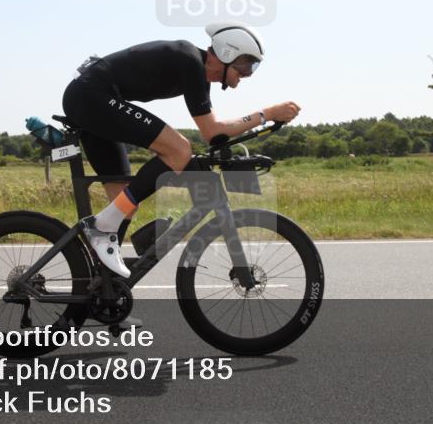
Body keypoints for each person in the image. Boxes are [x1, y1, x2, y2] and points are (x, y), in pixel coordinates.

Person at [61, 21, 301, 278]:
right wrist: (267, 114)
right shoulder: (189, 61)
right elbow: (213, 131)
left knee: (124, 203)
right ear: (228, 53)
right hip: (91, 96)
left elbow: (214, 135)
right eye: (247, 65)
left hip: (93, 98)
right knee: (178, 149)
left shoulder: (196, 73)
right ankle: (101, 227)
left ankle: (102, 286)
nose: (248, 73)